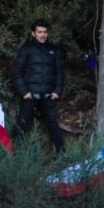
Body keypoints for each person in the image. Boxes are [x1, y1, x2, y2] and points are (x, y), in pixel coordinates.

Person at [12, 19, 65, 153]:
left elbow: (60, 73)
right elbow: (16, 71)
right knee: (21, 125)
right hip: (30, 95)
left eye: (45, 32)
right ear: (33, 33)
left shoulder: (54, 50)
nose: (43, 35)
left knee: (54, 126)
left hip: (48, 96)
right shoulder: (26, 49)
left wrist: (57, 91)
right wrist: (24, 92)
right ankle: (9, 156)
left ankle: (63, 157)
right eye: (39, 32)